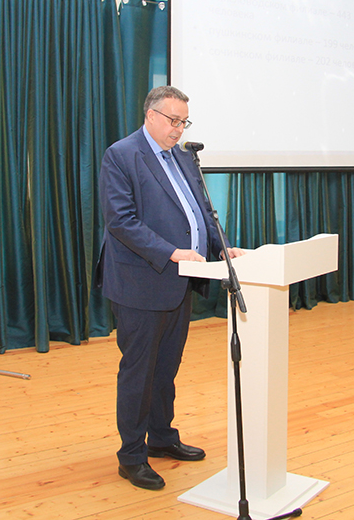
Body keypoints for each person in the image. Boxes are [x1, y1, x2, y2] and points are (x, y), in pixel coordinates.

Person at [96, 85, 244, 491]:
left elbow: (202, 212)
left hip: (179, 283)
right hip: (141, 282)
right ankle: (131, 456)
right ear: (151, 116)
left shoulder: (183, 158)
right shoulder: (122, 155)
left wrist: (220, 246)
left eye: (184, 122)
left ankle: (161, 437)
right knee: (139, 372)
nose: (178, 129)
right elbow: (121, 221)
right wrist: (172, 252)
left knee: (166, 368)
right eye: (173, 120)